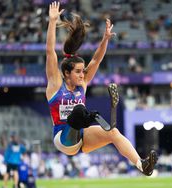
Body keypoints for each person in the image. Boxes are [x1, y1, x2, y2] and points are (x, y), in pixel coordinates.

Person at [45, 1, 157, 176]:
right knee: (79, 111)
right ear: (66, 73)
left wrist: (105, 39)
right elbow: (50, 52)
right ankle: (85, 116)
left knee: (113, 132)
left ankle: (142, 165)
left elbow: (96, 60)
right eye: (78, 72)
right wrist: (52, 22)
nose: (83, 75)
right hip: (63, 138)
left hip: (82, 136)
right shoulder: (55, 85)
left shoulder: (82, 84)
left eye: (83, 71)